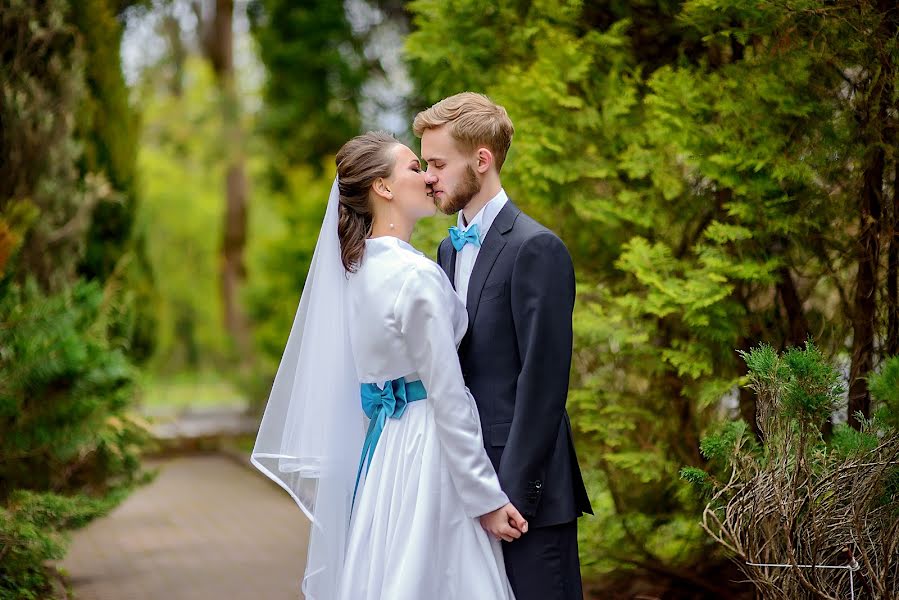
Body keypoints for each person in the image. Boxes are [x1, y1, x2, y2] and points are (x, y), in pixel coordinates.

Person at [251, 130, 527, 600]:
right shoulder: (415, 277)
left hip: (384, 455)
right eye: (415, 168)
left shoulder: (355, 273)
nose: (428, 177)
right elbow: (447, 395)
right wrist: (486, 498)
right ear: (382, 187)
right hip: (427, 452)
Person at [415, 92, 594, 600]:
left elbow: (543, 383)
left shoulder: (537, 248)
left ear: (482, 159)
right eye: (426, 164)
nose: (430, 177)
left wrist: (508, 495)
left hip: (527, 496)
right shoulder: (447, 249)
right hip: (467, 486)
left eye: (438, 163)